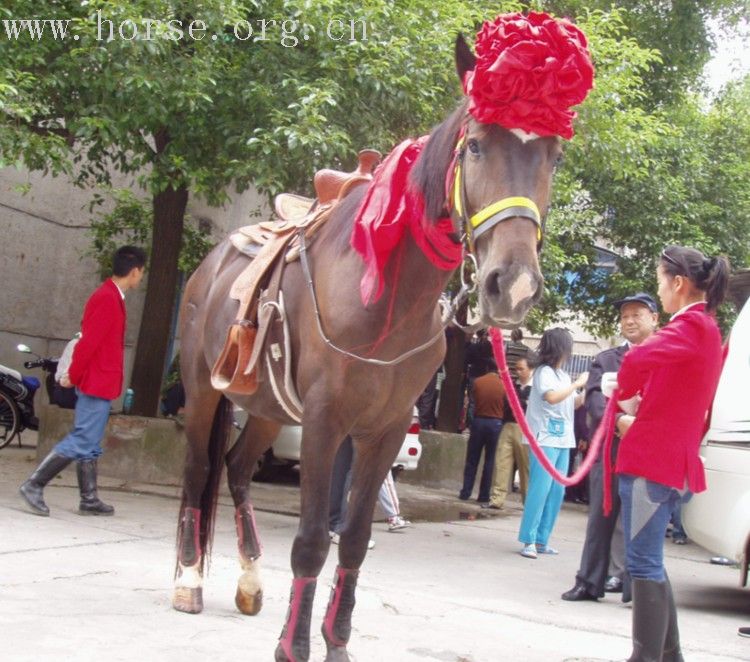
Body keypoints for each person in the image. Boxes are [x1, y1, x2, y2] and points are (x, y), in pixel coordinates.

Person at [615, 246, 728, 661]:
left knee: (643, 564)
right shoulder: (702, 326)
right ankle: (669, 656)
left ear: (678, 283)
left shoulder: (692, 325)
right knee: (651, 563)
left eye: (661, 281)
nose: (659, 291)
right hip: (664, 458)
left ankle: (646, 657)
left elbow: (638, 358)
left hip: (653, 460)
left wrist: (625, 395)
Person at [19, 246, 146, 517]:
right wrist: (72, 376)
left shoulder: (112, 296)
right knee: (83, 438)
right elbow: (88, 344)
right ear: (135, 271)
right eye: (142, 273)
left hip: (100, 381)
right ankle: (34, 484)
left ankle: (89, 499)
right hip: (96, 382)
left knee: (90, 440)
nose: (141, 278)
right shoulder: (107, 298)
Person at [562, 293, 658, 601]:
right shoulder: (607, 359)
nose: (629, 320)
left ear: (654, 318)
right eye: (625, 315)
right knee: (600, 517)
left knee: (641, 521)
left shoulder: (664, 355)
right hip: (610, 449)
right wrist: (618, 420)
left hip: (647, 450)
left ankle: (636, 590)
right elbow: (594, 398)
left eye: (637, 314)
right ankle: (589, 582)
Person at [518, 328, 588, 558]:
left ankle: (542, 539)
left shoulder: (563, 376)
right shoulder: (543, 373)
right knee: (540, 489)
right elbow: (552, 397)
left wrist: (586, 392)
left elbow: (572, 404)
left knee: (557, 491)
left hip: (563, 439)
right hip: (544, 438)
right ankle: (528, 538)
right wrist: (577, 384)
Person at [485, 354, 534, 510]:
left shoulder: (536, 388)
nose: (518, 372)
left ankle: (528, 501)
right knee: (502, 463)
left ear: (531, 369)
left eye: (522, 369)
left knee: (525, 466)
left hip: (525, 428)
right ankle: (496, 499)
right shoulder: (513, 385)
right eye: (516, 369)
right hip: (508, 425)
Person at [458, 358, 505, 504]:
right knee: (490, 461)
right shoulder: (504, 385)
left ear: (486, 368)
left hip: (479, 421)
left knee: (472, 459)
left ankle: (466, 492)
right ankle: (484, 495)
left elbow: (472, 403)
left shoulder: (478, 382)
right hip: (496, 424)